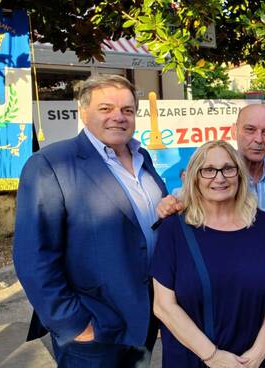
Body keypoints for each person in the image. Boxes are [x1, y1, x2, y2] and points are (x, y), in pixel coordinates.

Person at [13, 75, 167, 366]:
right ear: (83, 112)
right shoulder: (50, 164)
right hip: (93, 327)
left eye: (127, 110)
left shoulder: (141, 158)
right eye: (105, 108)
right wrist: (74, 325)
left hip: (144, 319)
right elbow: (33, 257)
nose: (118, 118)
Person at [151, 140, 265, 368]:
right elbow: (163, 305)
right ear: (194, 177)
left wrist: (260, 350)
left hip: (251, 361)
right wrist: (213, 356)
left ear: (239, 174)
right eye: (208, 170)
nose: (219, 177)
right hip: (193, 360)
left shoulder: (262, 224)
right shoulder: (174, 229)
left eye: (228, 168)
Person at [158, 104, 265, 228]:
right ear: (234, 131)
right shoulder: (216, 178)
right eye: (250, 130)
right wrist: (167, 205)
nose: (259, 139)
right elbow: (183, 197)